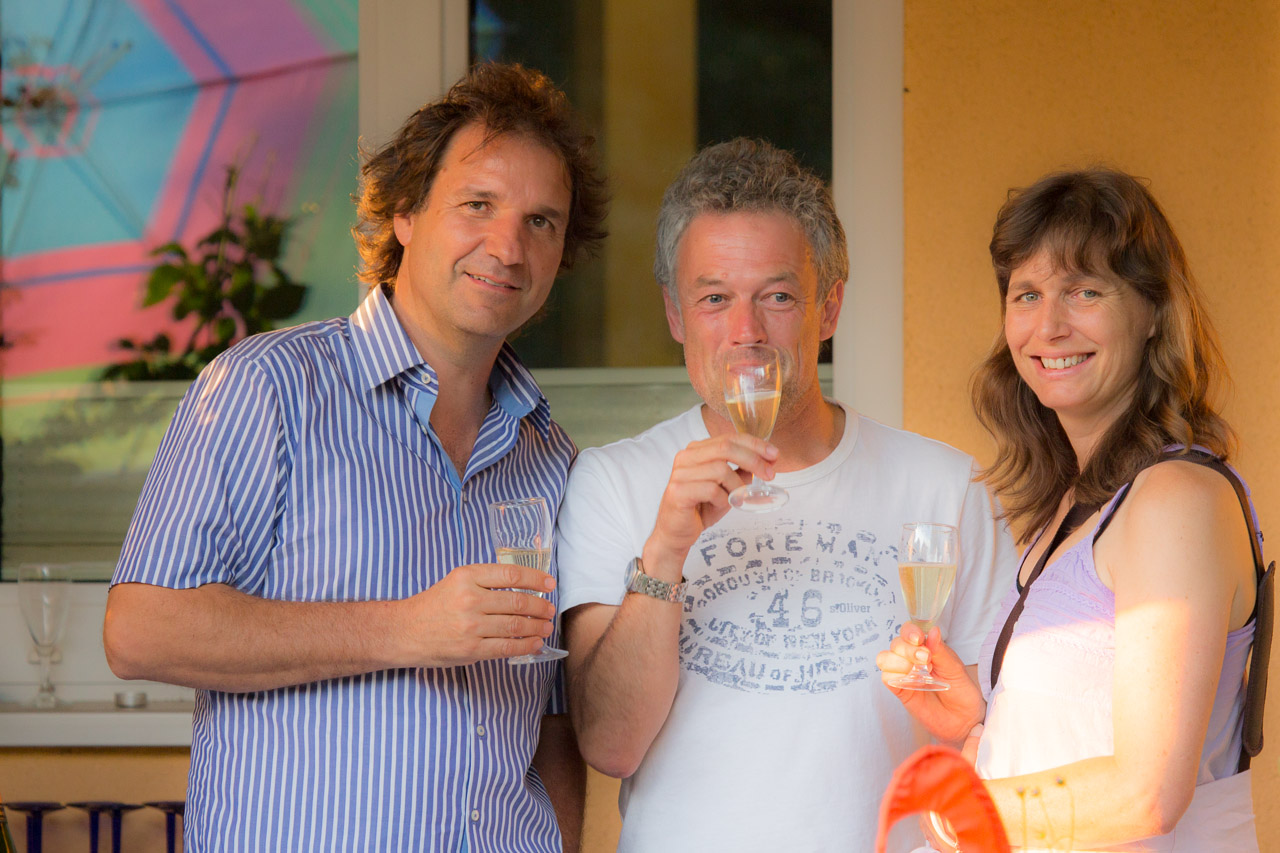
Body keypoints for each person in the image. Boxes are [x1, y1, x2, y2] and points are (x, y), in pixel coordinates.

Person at [103, 62, 608, 853]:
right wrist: (408, 627)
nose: (509, 246)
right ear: (404, 212)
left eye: (541, 221)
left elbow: (550, 716)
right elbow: (140, 630)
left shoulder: (549, 455)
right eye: (477, 205)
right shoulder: (270, 387)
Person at [555, 138, 1015, 852]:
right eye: (714, 299)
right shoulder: (612, 481)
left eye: (776, 297)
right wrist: (666, 551)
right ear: (676, 315)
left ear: (828, 309)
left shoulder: (945, 487)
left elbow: (1001, 737)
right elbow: (611, 745)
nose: (746, 333)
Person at [877, 168, 1263, 851]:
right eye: (1027, 294)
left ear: (1152, 311)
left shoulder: (1176, 498)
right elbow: (1082, 728)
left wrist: (950, 809)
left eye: (1085, 291)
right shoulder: (1078, 505)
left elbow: (1145, 792)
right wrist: (979, 717)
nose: (1050, 326)